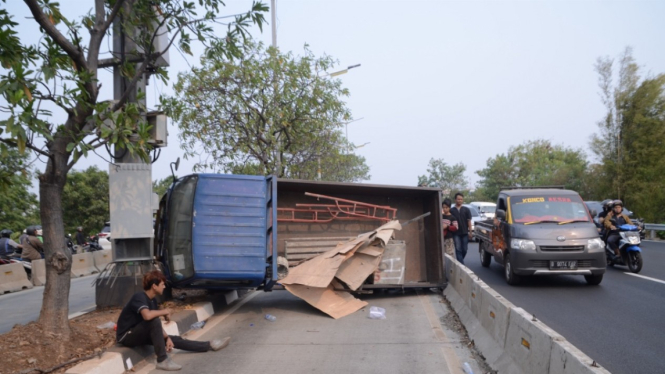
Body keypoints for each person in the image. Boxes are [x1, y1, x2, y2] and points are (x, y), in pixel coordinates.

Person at [116, 270, 231, 371]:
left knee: (174, 339)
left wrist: (166, 338)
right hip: (126, 335)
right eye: (162, 284)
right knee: (154, 320)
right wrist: (164, 311)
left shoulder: (152, 301)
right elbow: (147, 317)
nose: (164, 287)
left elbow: (152, 324)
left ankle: (209, 345)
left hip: (139, 331)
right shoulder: (139, 297)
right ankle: (162, 361)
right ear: (154, 286)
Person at [450, 192, 473, 264]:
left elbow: (469, 221)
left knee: (465, 249)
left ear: (463, 200)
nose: (459, 200)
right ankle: (461, 264)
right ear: (455, 200)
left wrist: (470, 232)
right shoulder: (452, 210)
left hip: (465, 232)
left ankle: (459, 262)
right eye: (458, 199)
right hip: (456, 233)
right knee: (458, 249)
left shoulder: (466, 210)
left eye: (461, 199)